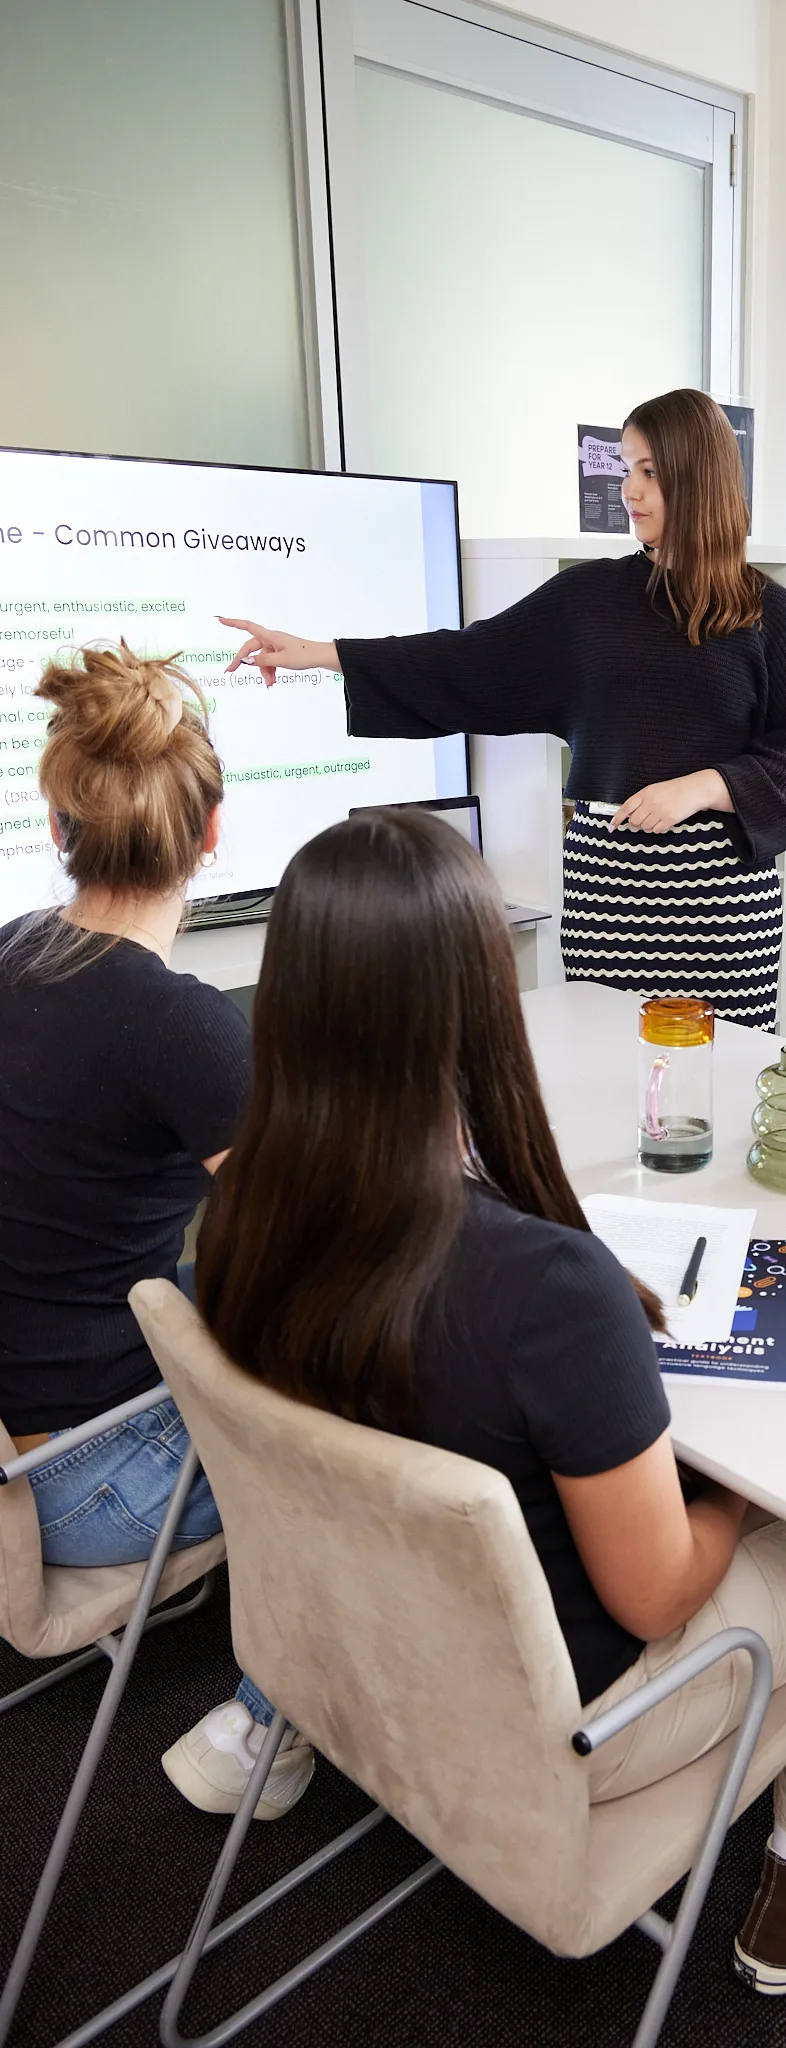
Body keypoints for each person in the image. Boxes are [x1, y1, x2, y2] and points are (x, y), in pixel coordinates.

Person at [193, 808, 786, 1996]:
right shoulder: (542, 1285)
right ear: (483, 1003)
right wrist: (737, 1494)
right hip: (579, 1714)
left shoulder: (241, 1215)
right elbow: (656, 1592)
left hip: (352, 1650)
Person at [218, 388, 786, 1032]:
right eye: (626, 469)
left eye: (650, 472)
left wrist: (701, 787)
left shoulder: (770, 617)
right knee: (602, 1076)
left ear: (699, 477)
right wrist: (319, 652)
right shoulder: (589, 599)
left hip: (723, 911)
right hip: (612, 894)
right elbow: (468, 661)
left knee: (718, 1088)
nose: (630, 490)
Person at [0, 643, 308, 1819]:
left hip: (18, 1443)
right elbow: (317, 1232)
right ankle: (270, 1725)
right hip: (87, 1483)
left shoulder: (16, 951)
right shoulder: (180, 1026)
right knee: (362, 1411)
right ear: (214, 833)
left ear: (59, 827)